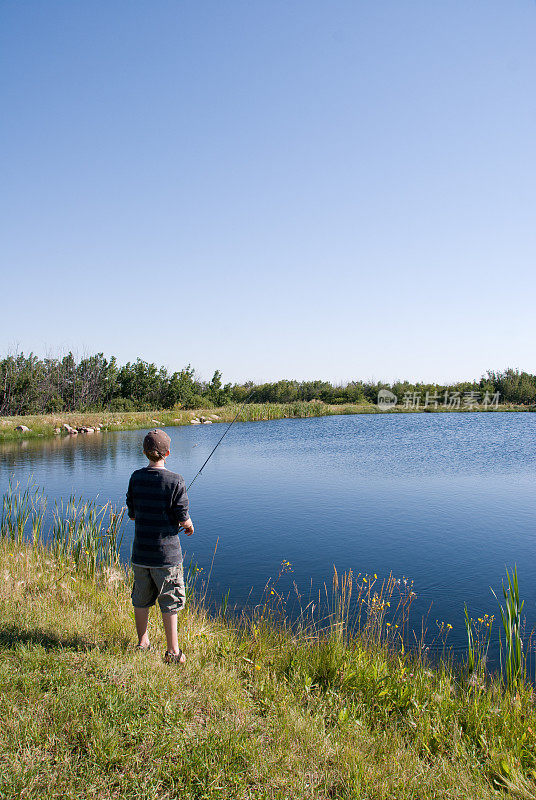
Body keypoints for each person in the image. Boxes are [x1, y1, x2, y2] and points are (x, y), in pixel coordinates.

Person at [126, 428, 194, 664]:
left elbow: (132, 514)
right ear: (167, 453)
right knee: (170, 601)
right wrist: (188, 525)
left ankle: (142, 642)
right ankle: (173, 651)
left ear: (145, 452)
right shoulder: (176, 480)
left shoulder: (136, 477)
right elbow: (182, 516)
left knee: (141, 599)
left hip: (140, 553)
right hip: (167, 556)